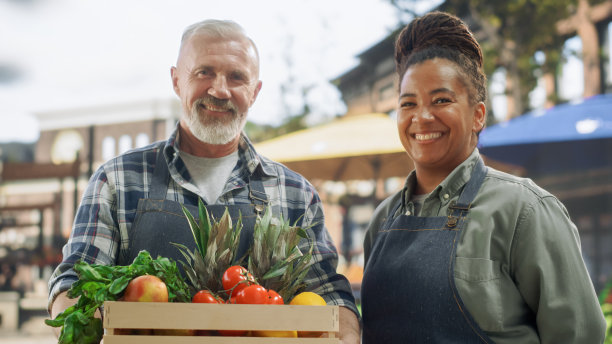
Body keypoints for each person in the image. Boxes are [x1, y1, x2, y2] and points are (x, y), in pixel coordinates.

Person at [48, 19, 360, 342]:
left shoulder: (296, 195)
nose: (219, 90)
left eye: (237, 77)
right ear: (176, 80)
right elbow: (74, 283)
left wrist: (344, 337)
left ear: (255, 92)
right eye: (204, 72)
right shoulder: (115, 181)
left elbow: (331, 294)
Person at [360, 11, 606, 343]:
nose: (422, 116)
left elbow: (579, 336)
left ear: (478, 115)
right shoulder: (382, 221)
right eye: (408, 104)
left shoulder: (524, 210)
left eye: (441, 100)